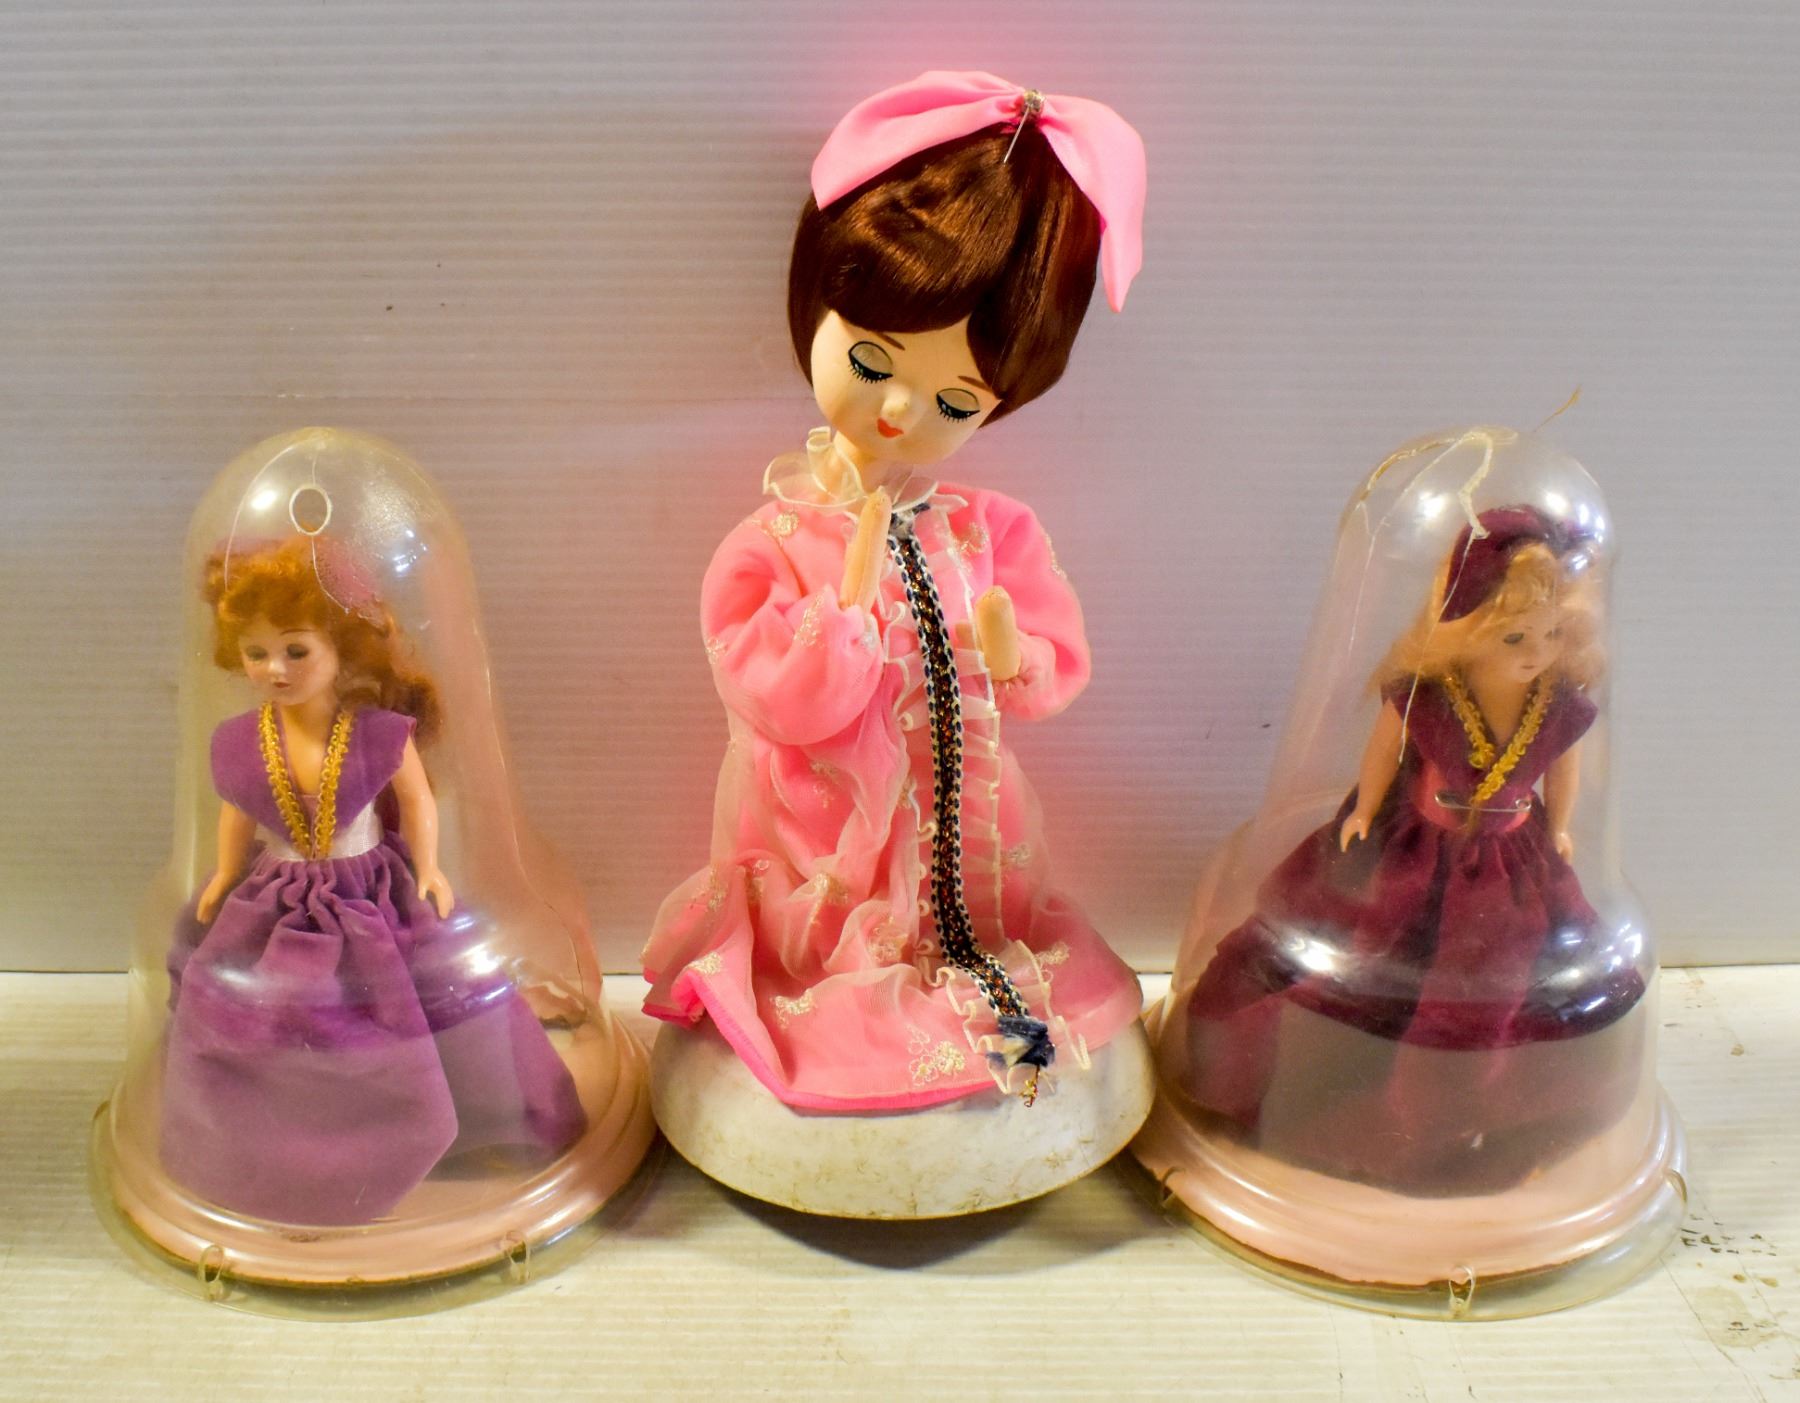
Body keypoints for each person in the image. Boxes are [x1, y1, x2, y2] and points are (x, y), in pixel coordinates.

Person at [642, 73, 1149, 1110]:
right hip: (826, 855)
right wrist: (842, 617)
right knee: (847, 979)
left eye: (958, 400)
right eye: (873, 360)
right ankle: (884, 1029)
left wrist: (1009, 656)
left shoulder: (990, 529)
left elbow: (1049, 671)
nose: (903, 411)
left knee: (1000, 957)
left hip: (975, 843)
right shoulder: (767, 547)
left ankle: (1000, 1035)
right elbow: (778, 702)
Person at [1177, 506, 1647, 1192]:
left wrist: (1562, 829)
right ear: (1464, 627)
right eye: (1514, 635)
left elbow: (1562, 772)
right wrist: (1365, 810)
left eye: (1553, 633)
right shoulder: (1431, 695)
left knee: (1499, 982)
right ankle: (1345, 1082)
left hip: (1509, 860)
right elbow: (1382, 753)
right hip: (1420, 849)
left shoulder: (1554, 701)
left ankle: (1466, 1112)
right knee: (1378, 955)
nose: (1536, 650)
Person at [161, 535, 586, 1225]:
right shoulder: (244, 740)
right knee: (265, 1005)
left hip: (369, 893)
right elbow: (238, 811)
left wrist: (430, 868)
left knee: (412, 996)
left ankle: (419, 1132)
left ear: (340, 647)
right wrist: (222, 879)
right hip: (277, 897)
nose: (275, 668)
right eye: (256, 652)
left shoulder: (377, 733)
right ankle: (284, 1149)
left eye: (296, 650)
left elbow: (416, 801)